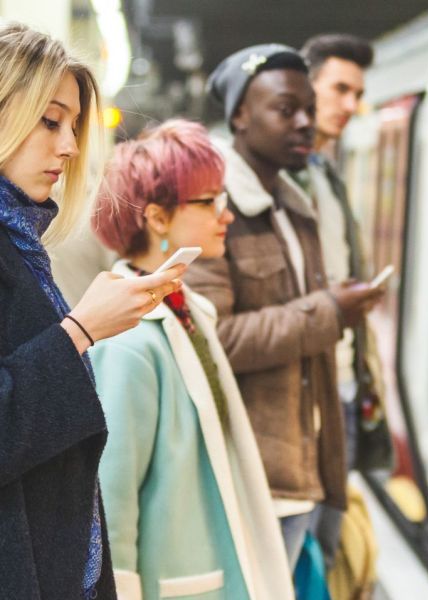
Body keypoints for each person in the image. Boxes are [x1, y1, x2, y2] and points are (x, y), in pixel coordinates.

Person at [0, 23, 183, 599]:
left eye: (74, 125)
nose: (71, 146)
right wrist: (79, 331)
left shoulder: (21, 238)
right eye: (50, 120)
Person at [183, 44, 383, 569]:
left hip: (306, 469)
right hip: (254, 481)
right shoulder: (213, 208)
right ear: (240, 117)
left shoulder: (295, 208)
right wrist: (330, 313)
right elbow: (213, 340)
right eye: (285, 109)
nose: (304, 123)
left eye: (308, 110)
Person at [90, 120, 294, 600]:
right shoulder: (128, 342)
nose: (226, 216)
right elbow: (109, 507)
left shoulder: (187, 310)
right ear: (158, 218)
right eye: (209, 202)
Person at [296, 34, 393, 579]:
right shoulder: (279, 179)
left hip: (344, 385)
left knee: (325, 545)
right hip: (309, 392)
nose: (351, 105)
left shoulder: (327, 175)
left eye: (357, 93)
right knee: (308, 551)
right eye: (340, 89)